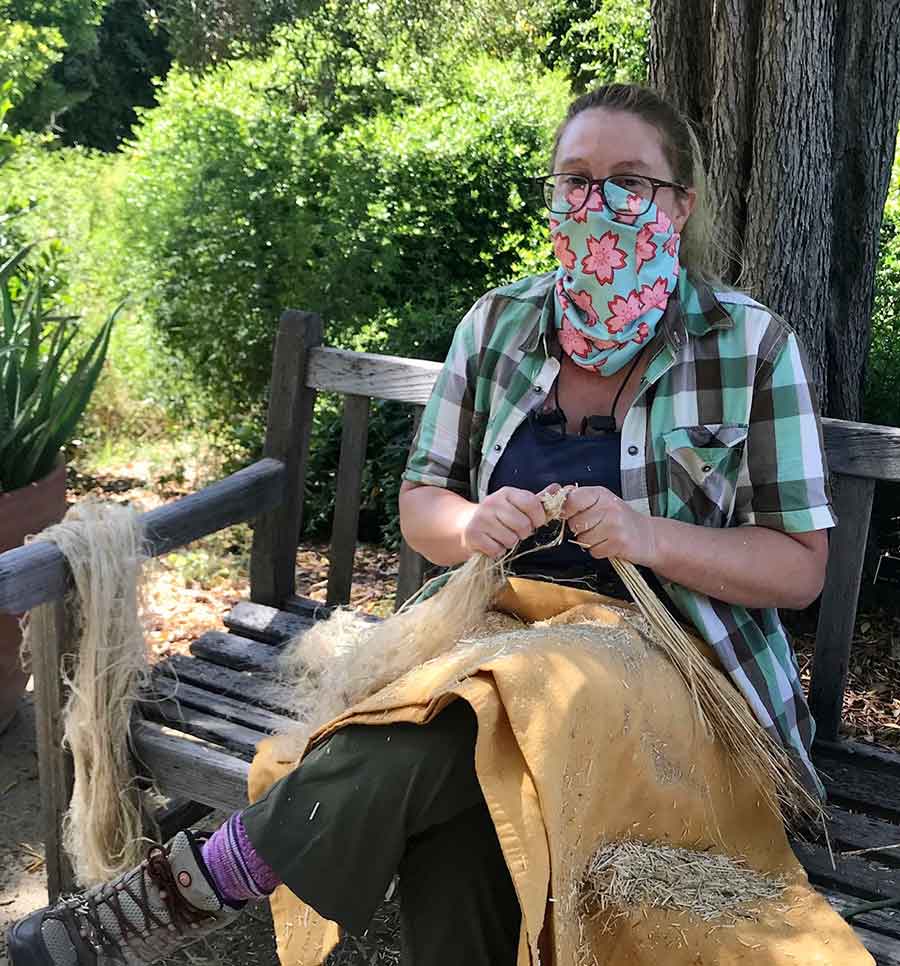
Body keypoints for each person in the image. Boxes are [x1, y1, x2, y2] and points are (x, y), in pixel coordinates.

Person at [6, 83, 835, 966]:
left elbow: (800, 565)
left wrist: (645, 536)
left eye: (630, 182)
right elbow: (422, 505)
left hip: (665, 672)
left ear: (681, 203)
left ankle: (192, 887)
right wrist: (475, 522)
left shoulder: (748, 344)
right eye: (577, 179)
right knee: (474, 803)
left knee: (476, 712)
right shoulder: (500, 324)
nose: (601, 205)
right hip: (492, 635)